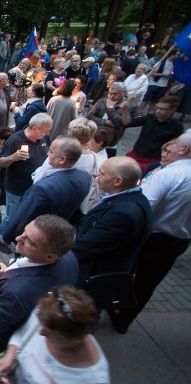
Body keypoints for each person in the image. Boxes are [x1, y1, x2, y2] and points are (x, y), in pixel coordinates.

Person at [110, 131, 191, 334]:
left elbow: (141, 207)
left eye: (173, 146)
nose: (168, 150)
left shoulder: (169, 174)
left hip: (151, 236)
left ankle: (113, 305)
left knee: (122, 271)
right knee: (148, 282)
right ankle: (125, 319)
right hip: (178, 240)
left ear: (184, 149)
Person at [0, 214, 79, 357]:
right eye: (24, 232)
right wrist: (8, 271)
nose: (18, 238)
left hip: (2, 344)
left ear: (50, 256)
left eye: (30, 242)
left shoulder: (16, 293)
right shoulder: (69, 258)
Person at [0, 286, 110, 384]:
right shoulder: (48, 312)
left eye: (51, 334)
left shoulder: (92, 381)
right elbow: (22, 334)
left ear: (75, 338)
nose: (41, 333)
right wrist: (10, 356)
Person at [0, 137, 91, 250]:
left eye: (51, 151)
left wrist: (7, 237)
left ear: (62, 159)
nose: (47, 153)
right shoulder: (84, 177)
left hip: (34, 238)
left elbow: (22, 214)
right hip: (58, 235)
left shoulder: (43, 188)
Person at [73, 157, 152, 288]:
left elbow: (87, 246)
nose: (96, 174)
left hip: (91, 280)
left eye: (102, 173)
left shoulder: (123, 214)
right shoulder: (135, 197)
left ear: (117, 181)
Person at [0, 114, 53, 246]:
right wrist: (14, 157)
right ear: (35, 128)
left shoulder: (44, 138)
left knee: (23, 216)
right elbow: (0, 162)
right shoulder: (15, 140)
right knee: (12, 217)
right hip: (16, 188)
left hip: (33, 187)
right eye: (46, 130)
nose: (48, 133)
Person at [123, 96, 185, 172]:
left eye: (162, 109)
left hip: (153, 160)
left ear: (172, 110)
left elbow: (176, 145)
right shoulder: (149, 118)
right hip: (135, 154)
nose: (158, 111)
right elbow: (127, 123)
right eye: (157, 108)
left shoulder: (177, 126)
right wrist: (125, 109)